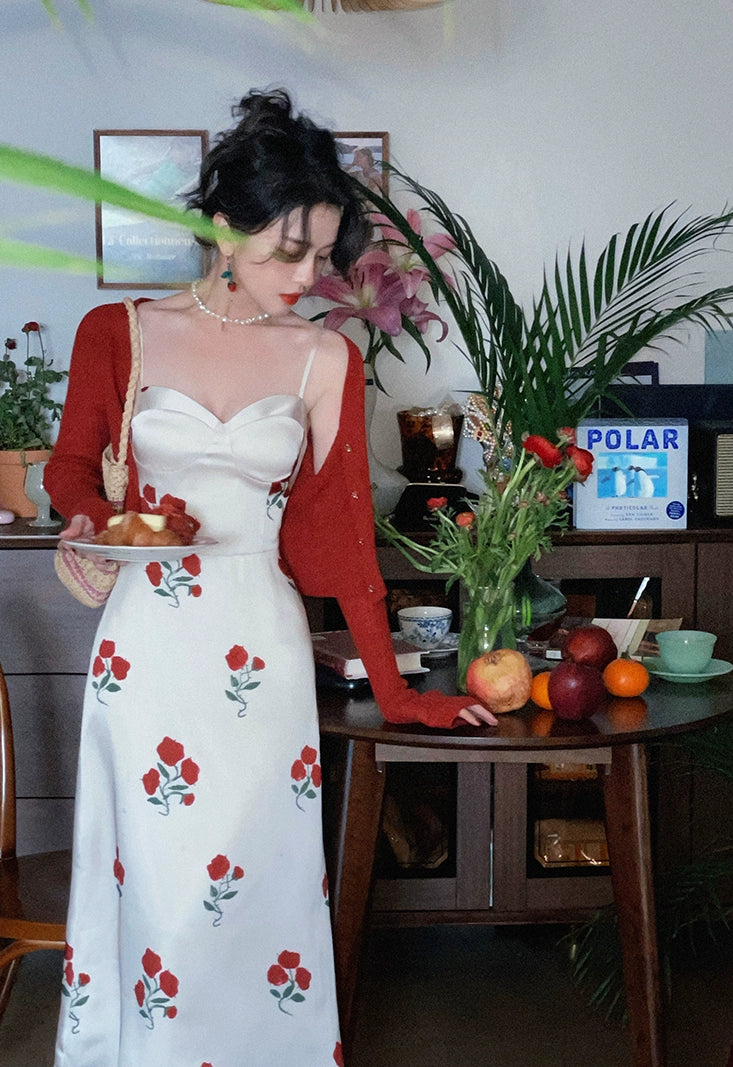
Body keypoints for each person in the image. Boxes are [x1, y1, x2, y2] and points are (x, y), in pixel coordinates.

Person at [44, 88, 496, 1067]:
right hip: (148, 646)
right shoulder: (115, 331)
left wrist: (394, 691)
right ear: (220, 226)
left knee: (258, 885)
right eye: (288, 250)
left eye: (325, 254)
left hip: (261, 646)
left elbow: (340, 548)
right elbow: (72, 465)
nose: (309, 275)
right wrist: (84, 519)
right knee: (162, 894)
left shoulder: (325, 357)